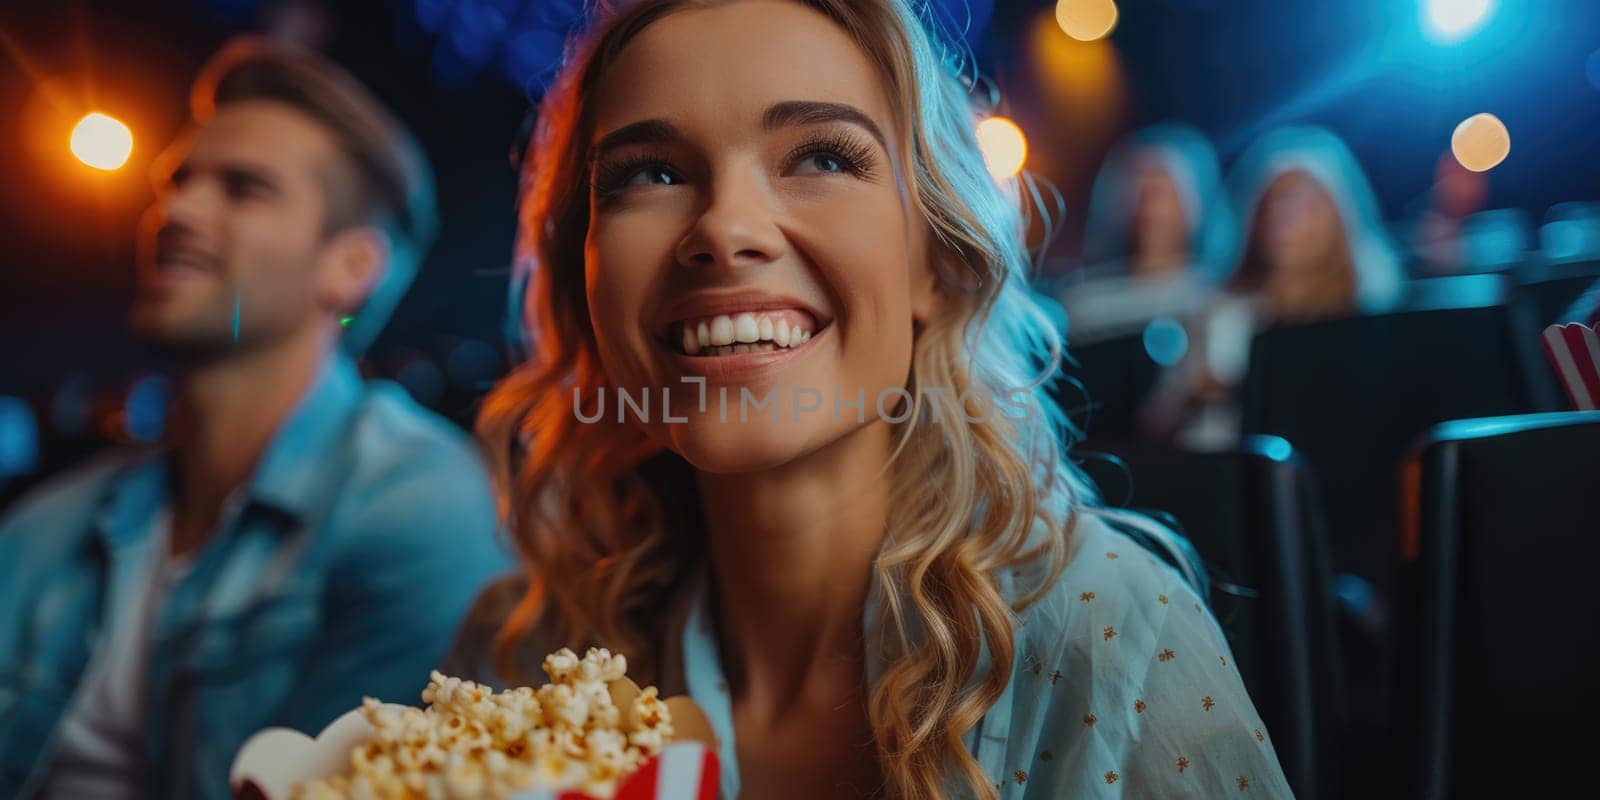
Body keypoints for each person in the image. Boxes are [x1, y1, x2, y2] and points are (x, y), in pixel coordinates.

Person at [441, 1, 1293, 798]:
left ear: (937, 261)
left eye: (822, 156)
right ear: (582, 275)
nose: (725, 230)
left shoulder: (1107, 636)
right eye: (650, 173)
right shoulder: (521, 651)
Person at [0, 38, 509, 799]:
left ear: (350, 267)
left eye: (242, 189)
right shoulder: (50, 526)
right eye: (175, 180)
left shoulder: (419, 508)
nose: (175, 209)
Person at [1138, 126, 1404, 448]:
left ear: (1337, 215)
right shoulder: (1221, 315)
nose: (1285, 215)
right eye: (1275, 201)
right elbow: (1156, 422)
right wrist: (1195, 394)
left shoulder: (1372, 313)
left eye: (1304, 202)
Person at [1058, 124, 1238, 345]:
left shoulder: (1218, 304)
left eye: (1161, 193)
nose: (1148, 207)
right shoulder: (1085, 306)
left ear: (1194, 204)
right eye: (1138, 190)